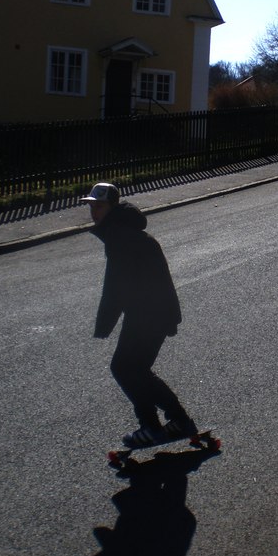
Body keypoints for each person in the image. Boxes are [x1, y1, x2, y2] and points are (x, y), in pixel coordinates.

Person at [82, 182, 197, 448]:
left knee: (124, 368)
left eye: (99, 206)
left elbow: (115, 288)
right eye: (91, 206)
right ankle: (177, 421)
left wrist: (104, 325)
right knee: (135, 369)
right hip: (150, 312)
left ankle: (154, 425)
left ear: (112, 207)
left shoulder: (121, 237)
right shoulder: (124, 232)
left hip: (149, 314)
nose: (94, 211)